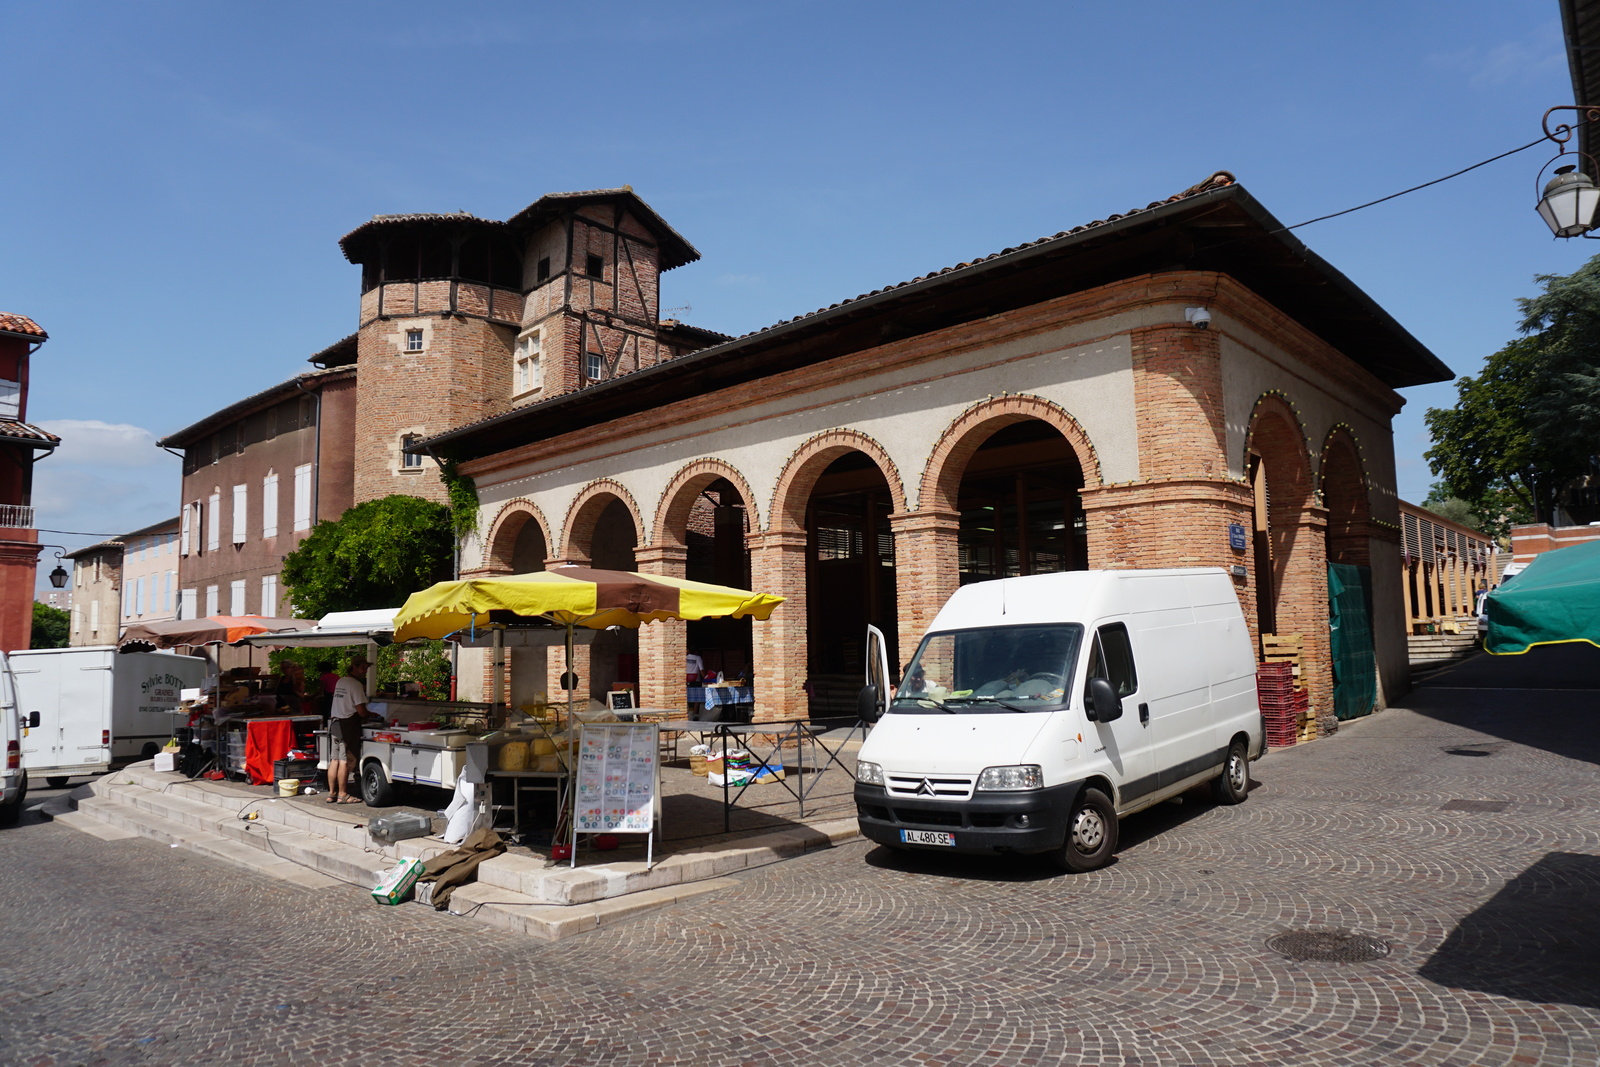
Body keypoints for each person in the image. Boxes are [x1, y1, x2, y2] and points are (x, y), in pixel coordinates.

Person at [326, 658, 370, 805]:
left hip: (335, 722)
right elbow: (361, 711)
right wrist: (372, 714)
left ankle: (331, 794)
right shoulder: (356, 685)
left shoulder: (341, 681)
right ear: (354, 667)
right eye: (363, 668)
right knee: (344, 760)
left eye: (366, 668)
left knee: (334, 759)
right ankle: (343, 794)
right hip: (347, 724)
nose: (365, 671)